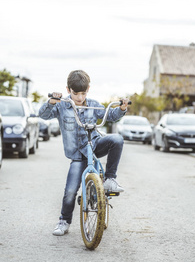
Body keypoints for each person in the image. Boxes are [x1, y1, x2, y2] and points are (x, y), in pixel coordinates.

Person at [39, 70, 130, 236]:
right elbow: (43, 115)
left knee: (116, 139)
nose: (79, 98)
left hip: (94, 147)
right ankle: (64, 221)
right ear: (68, 90)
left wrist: (122, 109)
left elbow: (110, 116)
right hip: (77, 155)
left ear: (88, 89)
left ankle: (110, 180)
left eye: (83, 93)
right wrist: (51, 101)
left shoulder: (93, 104)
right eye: (75, 93)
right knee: (70, 192)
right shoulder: (62, 105)